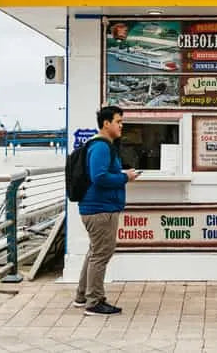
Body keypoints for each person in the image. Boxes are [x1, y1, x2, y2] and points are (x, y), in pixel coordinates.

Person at [74, 105, 140, 315]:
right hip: (101, 210)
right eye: (118, 122)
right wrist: (125, 177)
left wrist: (121, 173)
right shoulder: (102, 146)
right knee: (101, 254)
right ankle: (94, 302)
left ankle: (82, 296)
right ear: (106, 123)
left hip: (96, 208)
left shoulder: (100, 145)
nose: (122, 126)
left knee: (95, 252)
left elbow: (100, 173)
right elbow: (99, 177)